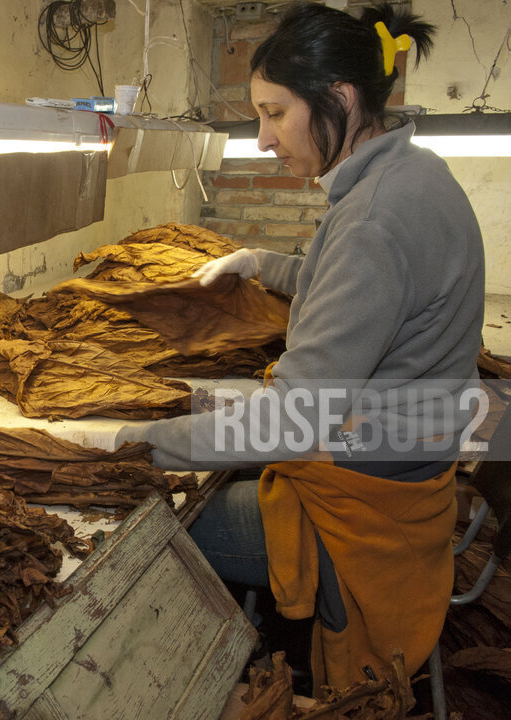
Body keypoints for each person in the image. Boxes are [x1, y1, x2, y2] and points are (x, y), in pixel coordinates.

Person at [115, 1, 485, 693]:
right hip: (405, 468)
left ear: (338, 98)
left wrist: (135, 441)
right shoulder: (409, 175)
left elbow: (292, 419)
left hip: (364, 515)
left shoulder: (374, 218)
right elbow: (354, 284)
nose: (261, 139)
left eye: (274, 113)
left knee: (156, 531)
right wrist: (260, 261)